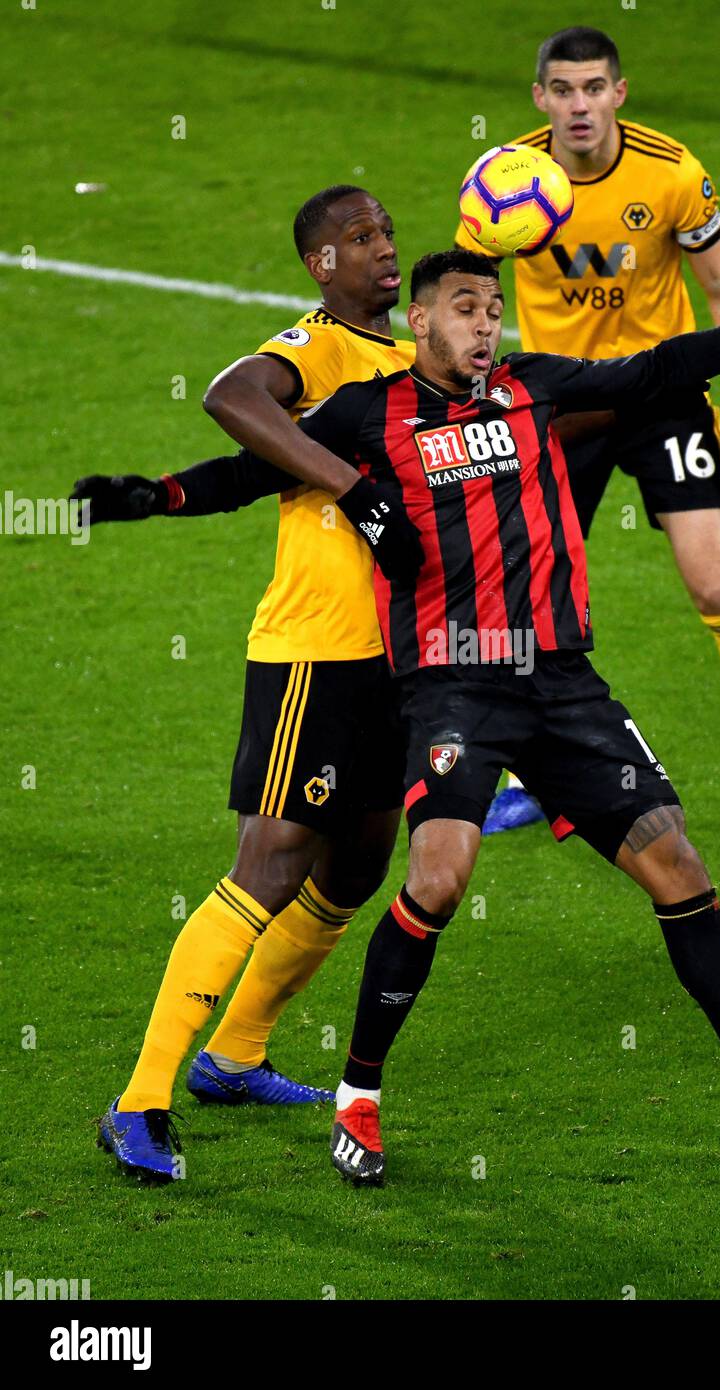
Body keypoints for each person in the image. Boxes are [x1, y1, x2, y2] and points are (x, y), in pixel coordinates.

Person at [191, 248, 720, 1182]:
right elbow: (248, 462)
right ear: (420, 322)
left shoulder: (535, 388)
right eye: (463, 308)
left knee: (679, 866)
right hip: (450, 688)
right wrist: (155, 498)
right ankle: (358, 1098)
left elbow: (658, 369)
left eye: (492, 309)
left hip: (561, 683)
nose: (483, 324)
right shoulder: (366, 412)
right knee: (441, 872)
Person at [73, 186, 415, 1183]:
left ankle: (237, 1053)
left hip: (393, 661)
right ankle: (138, 1100)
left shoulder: (405, 366)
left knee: (355, 863)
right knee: (270, 863)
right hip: (314, 652)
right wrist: (351, 490)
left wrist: (165, 495)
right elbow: (233, 400)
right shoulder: (317, 349)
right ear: (321, 264)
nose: (383, 249)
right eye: (360, 239)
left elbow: (253, 471)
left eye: (388, 232)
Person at [457, 26, 720, 840]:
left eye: (593, 88)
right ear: (539, 98)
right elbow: (465, 300)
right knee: (528, 594)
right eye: (562, 90)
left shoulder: (672, 175)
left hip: (663, 393)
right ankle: (529, 775)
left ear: (618, 93)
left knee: (714, 585)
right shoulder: (508, 179)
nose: (578, 105)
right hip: (558, 406)